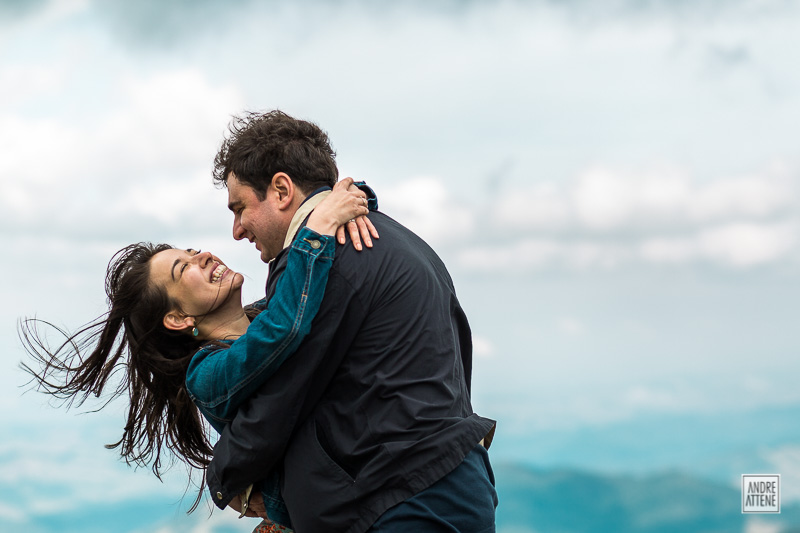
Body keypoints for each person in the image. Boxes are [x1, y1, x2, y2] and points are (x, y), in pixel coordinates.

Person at [20, 178, 376, 528]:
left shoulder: (268, 312)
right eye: (183, 268)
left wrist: (351, 196)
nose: (203, 255)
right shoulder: (206, 374)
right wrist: (320, 223)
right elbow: (284, 327)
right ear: (178, 318)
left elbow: (315, 281)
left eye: (191, 251)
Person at [207, 110, 498, 533]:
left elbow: (281, 397)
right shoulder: (393, 237)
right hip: (445, 487)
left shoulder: (327, 260)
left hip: (404, 504)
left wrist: (225, 480)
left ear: (282, 190)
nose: (236, 230)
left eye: (240, 208)